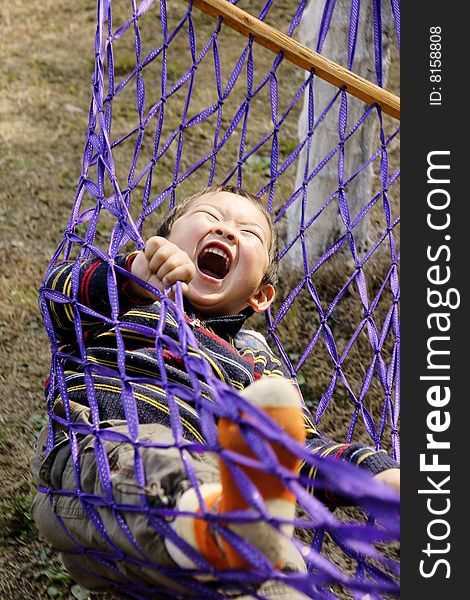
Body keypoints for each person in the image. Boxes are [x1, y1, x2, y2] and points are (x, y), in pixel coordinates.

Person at [31, 185, 399, 598]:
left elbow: (298, 453)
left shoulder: (253, 362)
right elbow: (57, 296)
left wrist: (379, 476)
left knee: (283, 574)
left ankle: (234, 536)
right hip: (102, 458)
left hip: (226, 499)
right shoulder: (121, 302)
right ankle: (217, 526)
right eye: (210, 216)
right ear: (164, 244)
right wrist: (134, 274)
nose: (227, 231)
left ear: (260, 294)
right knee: (160, 462)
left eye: (249, 232)